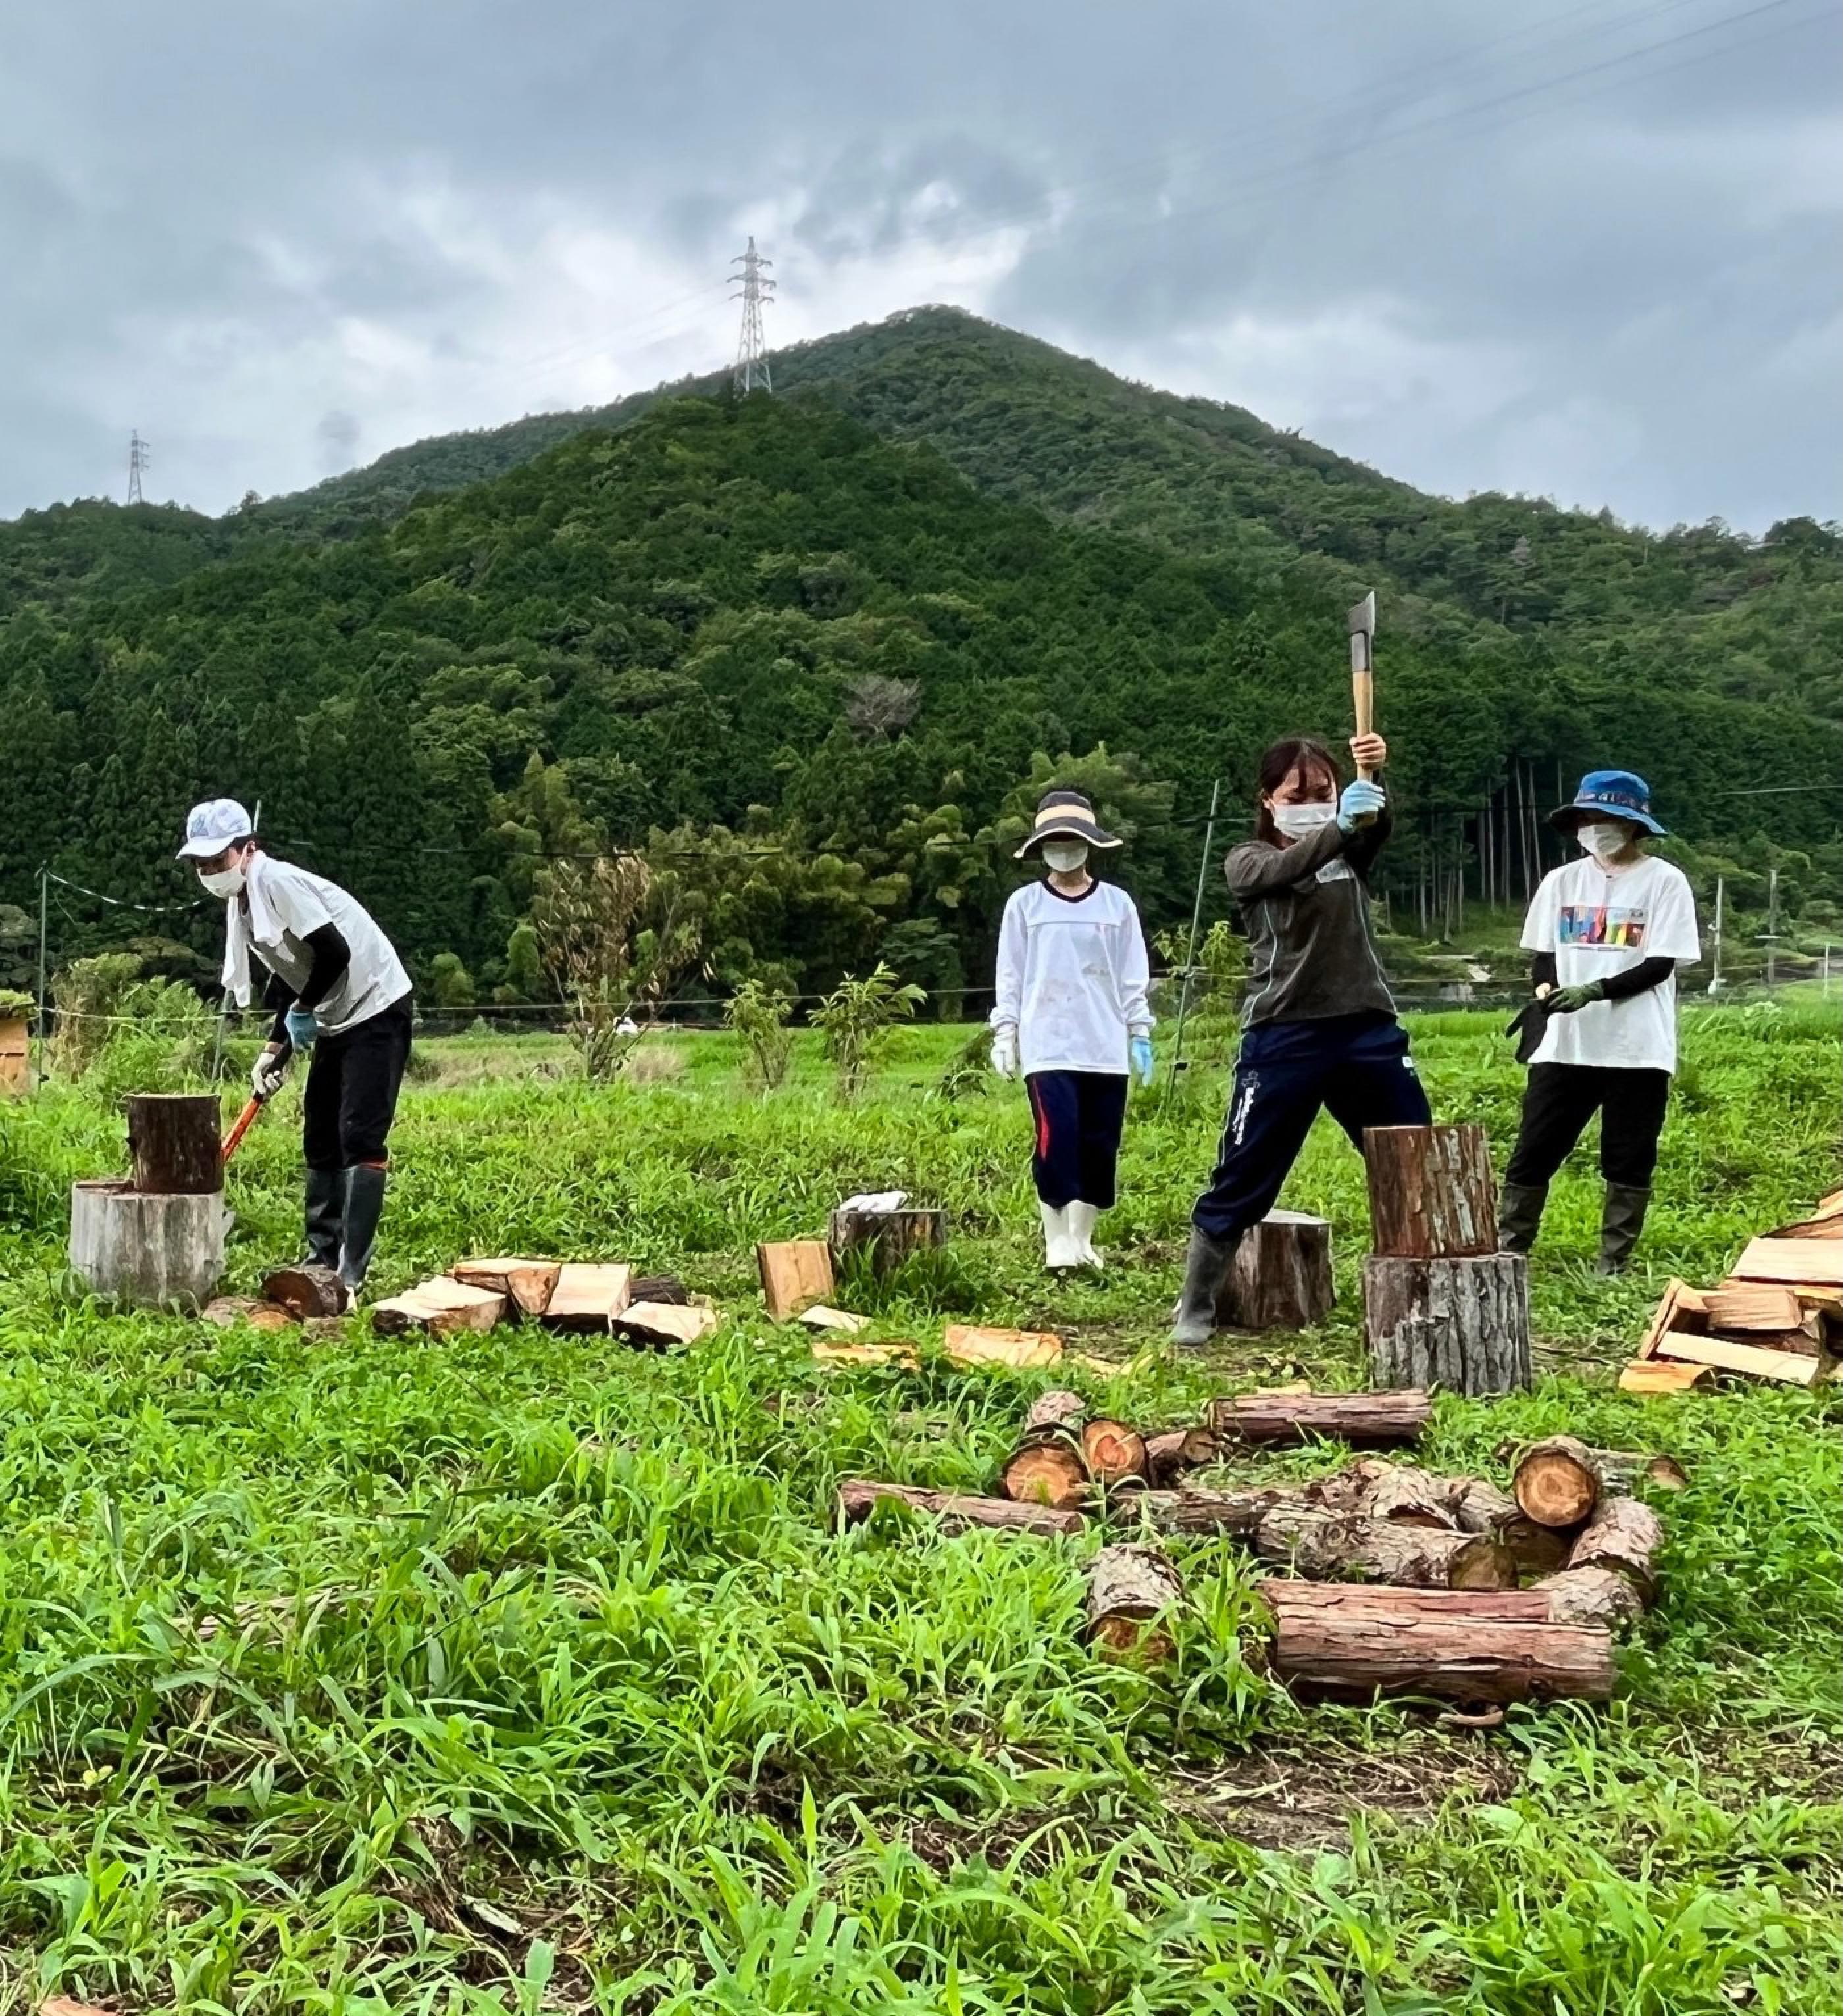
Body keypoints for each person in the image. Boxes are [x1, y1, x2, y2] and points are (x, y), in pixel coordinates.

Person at [1170, 732, 1425, 1344]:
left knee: (1413, 1155)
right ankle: (1196, 1302)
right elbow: (1294, 863)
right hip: (1283, 1033)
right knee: (1245, 1170)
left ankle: (1424, 1279)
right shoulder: (1249, 860)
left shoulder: (1350, 851)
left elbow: (1373, 827)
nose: (1312, 800)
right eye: (1298, 792)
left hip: (1366, 1028)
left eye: (1324, 790)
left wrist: (1375, 777)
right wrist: (1339, 820)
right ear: (1268, 798)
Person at [178, 798, 414, 1302]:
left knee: (359, 1135)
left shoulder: (276, 882)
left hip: (376, 1006)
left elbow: (334, 952)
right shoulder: (241, 903)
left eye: (218, 861)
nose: (209, 872)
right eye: (200, 865)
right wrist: (274, 1049)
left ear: (247, 849)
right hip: (333, 1014)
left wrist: (302, 1013)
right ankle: (319, 1261)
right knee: (320, 1136)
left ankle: (350, 1276)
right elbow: (294, 974)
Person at [1497, 770, 1699, 1274]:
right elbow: (1544, 954)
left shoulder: (1664, 882)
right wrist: (1546, 990)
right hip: (1565, 1044)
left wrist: (1595, 991)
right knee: (1534, 1149)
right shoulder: (1561, 882)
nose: (1595, 828)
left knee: (1628, 1155)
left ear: (1634, 824)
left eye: (1606, 818)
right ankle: (1510, 1249)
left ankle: (1613, 1261)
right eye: (1588, 818)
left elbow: (1660, 964)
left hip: (1637, 1047)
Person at [990, 789, 1155, 1270]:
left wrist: (1139, 1031)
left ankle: (1083, 1239)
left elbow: (1131, 973)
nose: (1064, 848)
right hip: (1048, 1047)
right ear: (1041, 847)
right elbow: (1011, 974)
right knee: (1056, 1139)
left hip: (1103, 1046)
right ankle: (1055, 1240)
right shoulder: (1025, 906)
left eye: (1072, 839)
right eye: (1055, 840)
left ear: (1090, 843)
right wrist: (1007, 1031)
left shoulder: (1116, 905)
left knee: (1100, 1144)